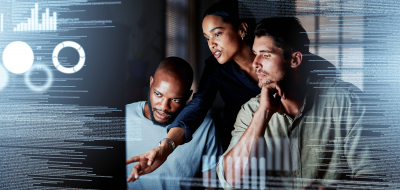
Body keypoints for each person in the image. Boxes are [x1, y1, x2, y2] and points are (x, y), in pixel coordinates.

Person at [216, 17, 376, 189]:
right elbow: (230, 181)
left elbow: (376, 175)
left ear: (295, 60)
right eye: (255, 54)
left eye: (266, 55)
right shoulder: (252, 110)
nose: (255, 63)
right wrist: (263, 113)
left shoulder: (347, 102)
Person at [127, 0, 264, 180]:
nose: (211, 44)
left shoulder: (276, 56)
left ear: (242, 29)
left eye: (217, 34)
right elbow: (199, 105)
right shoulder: (216, 68)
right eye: (207, 38)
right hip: (244, 144)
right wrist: (166, 147)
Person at [125, 57, 223, 190]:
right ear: (151, 82)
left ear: (188, 96)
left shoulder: (205, 126)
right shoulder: (124, 116)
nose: (164, 107)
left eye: (175, 99)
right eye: (158, 94)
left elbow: (211, 186)